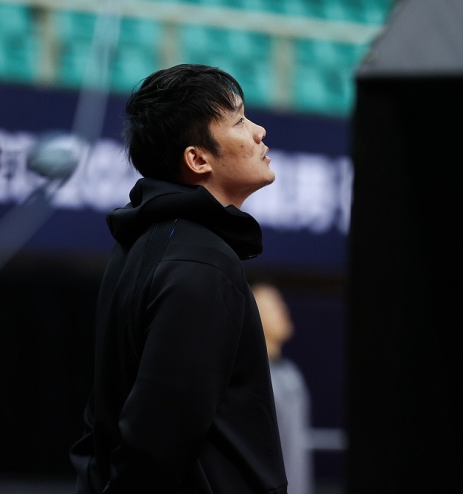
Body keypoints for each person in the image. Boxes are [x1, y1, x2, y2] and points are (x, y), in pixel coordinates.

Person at [70, 64, 287, 494]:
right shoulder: (202, 263)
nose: (259, 131)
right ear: (198, 159)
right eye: (239, 121)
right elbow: (154, 444)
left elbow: (104, 428)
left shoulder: (140, 246)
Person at [252, 282, 313, 494]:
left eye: (282, 303)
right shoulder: (252, 380)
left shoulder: (292, 373)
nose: (283, 310)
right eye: (274, 306)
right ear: (255, 316)